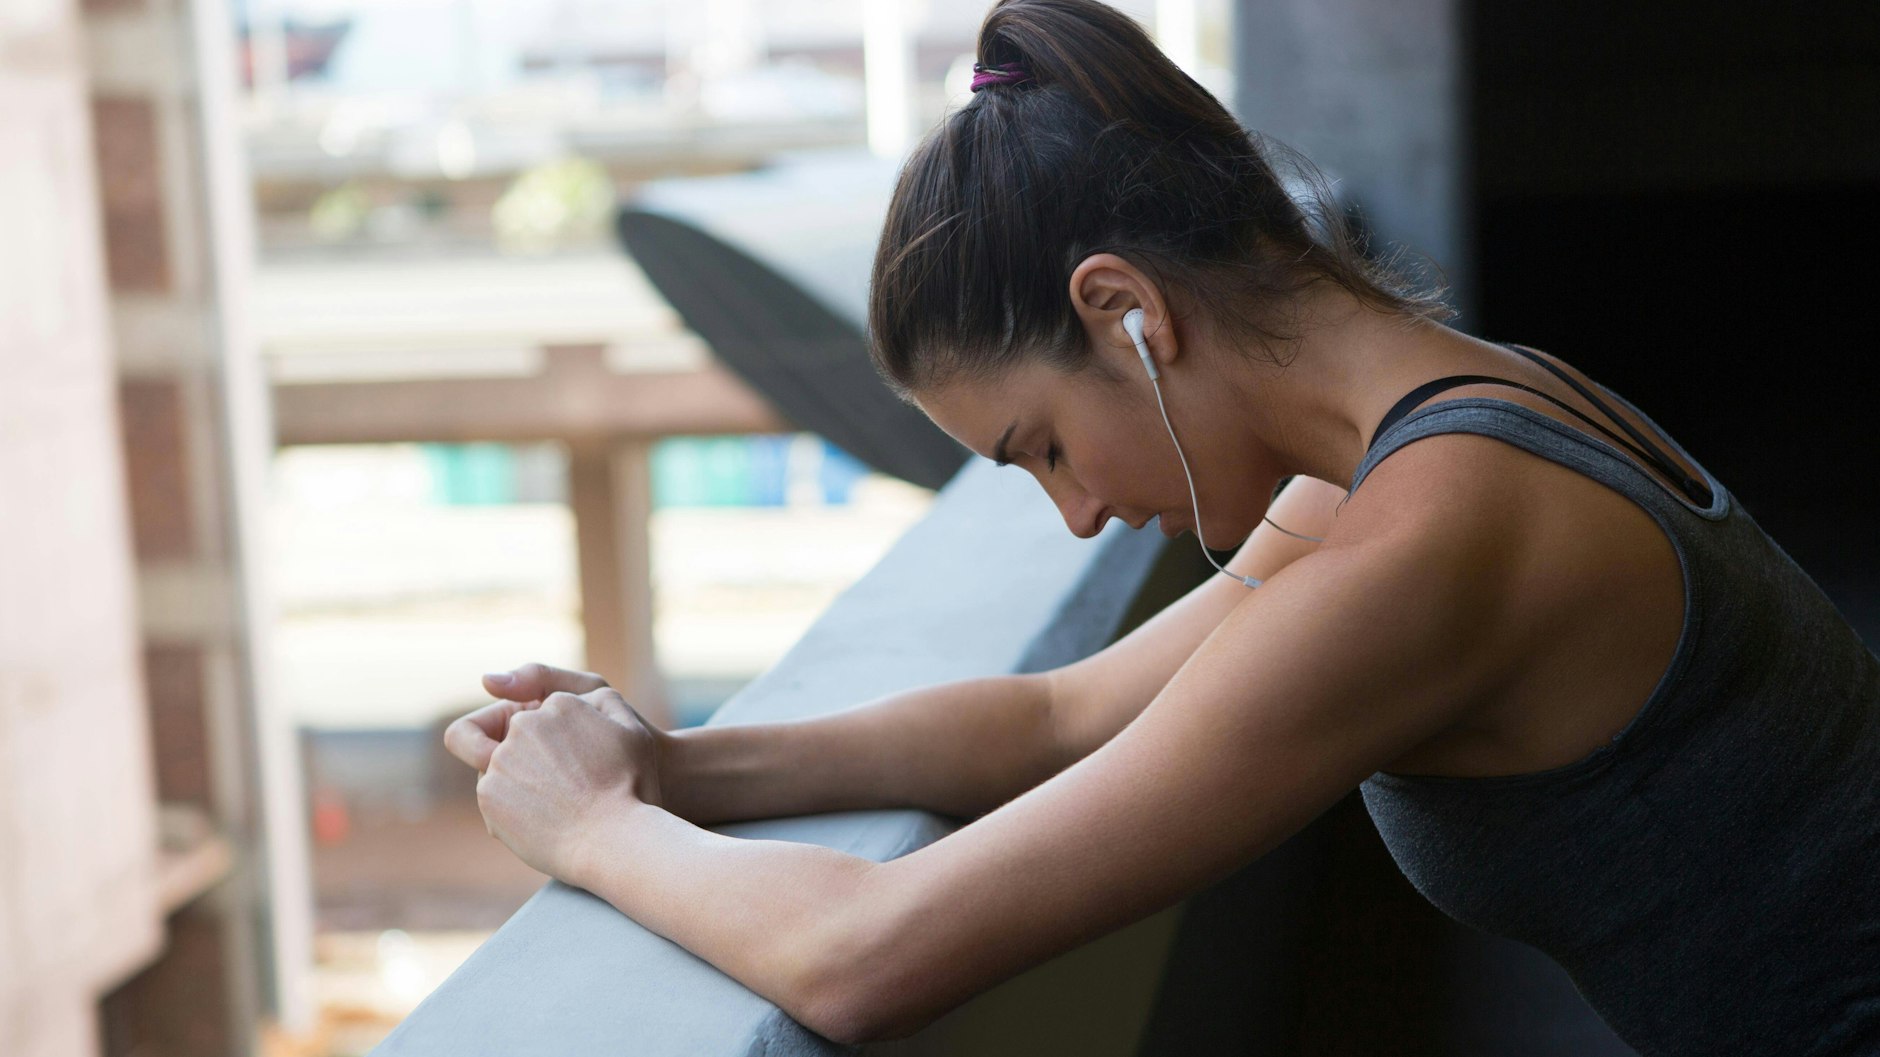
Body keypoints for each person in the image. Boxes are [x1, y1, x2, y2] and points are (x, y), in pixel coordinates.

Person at [444, 0, 1880, 1051]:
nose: (1077, 517)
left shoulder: (1441, 531)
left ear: (1125, 312)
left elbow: (863, 954)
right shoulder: (1433, 435)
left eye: (1048, 446)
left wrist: (593, 827)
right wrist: (681, 761)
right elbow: (1065, 715)